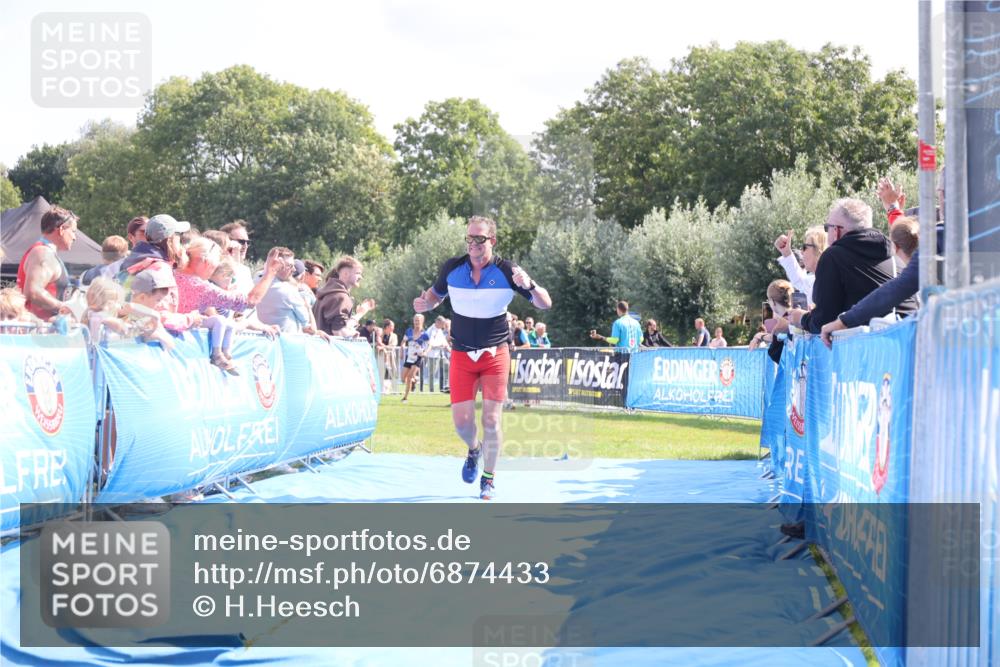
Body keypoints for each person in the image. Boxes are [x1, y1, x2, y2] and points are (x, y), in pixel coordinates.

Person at [412, 215, 552, 500]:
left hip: (495, 354)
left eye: (480, 239)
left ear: (492, 241)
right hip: (462, 354)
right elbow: (435, 296)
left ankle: (488, 478)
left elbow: (545, 303)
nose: (474, 244)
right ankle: (474, 449)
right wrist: (424, 303)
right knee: (462, 424)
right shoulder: (452, 267)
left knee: (491, 419)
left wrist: (531, 285)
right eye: (470, 238)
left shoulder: (508, 271)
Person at [789, 199, 918, 333]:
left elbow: (823, 321)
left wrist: (802, 318)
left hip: (868, 348)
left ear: (836, 231)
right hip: (910, 337)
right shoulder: (894, 252)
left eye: (827, 228)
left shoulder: (832, 257)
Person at [820, 216, 927, 346]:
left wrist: (844, 321)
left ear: (895, 246)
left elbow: (889, 294)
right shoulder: (934, 247)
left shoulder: (914, 270)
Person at [16, 206, 79, 319]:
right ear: (61, 229)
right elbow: (33, 292)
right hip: (38, 332)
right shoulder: (43, 253)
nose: (74, 237)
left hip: (42, 330)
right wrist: (64, 307)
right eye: (73, 231)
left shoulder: (44, 252)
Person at [313, 256, 376, 337]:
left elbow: (337, 325)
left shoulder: (327, 293)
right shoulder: (341, 297)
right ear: (345, 274)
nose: (361, 277)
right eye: (358, 273)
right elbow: (338, 331)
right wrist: (354, 333)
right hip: (329, 347)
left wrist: (359, 314)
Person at [773, 226, 827, 308]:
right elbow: (799, 280)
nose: (801, 252)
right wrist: (786, 253)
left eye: (805, 247)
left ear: (819, 250)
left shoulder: (829, 282)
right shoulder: (815, 280)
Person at [400, 313, 429, 402]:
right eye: (415, 320)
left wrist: (425, 352)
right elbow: (403, 341)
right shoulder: (409, 331)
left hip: (418, 358)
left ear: (422, 321)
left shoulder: (424, 334)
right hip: (409, 357)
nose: (416, 322)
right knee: (402, 378)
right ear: (413, 321)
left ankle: (405, 398)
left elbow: (430, 345)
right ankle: (414, 380)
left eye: (418, 320)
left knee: (409, 377)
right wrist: (402, 348)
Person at [220, 220, 255, 294]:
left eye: (248, 242)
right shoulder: (217, 270)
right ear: (227, 241)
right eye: (241, 242)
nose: (245, 246)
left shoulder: (245, 270)